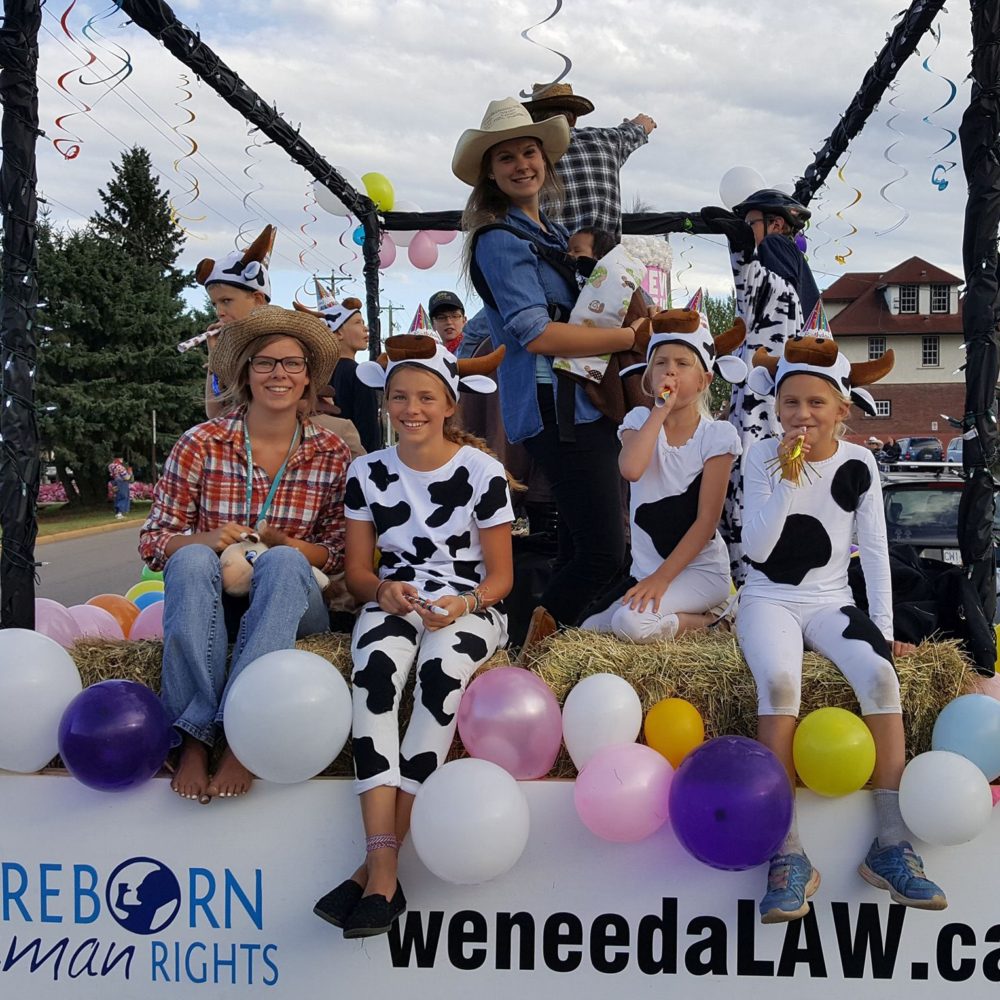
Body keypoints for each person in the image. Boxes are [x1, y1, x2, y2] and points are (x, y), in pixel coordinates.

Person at [739, 335, 946, 922]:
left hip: (830, 599)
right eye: (791, 403)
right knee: (780, 684)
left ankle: (891, 842)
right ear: (776, 407)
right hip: (769, 599)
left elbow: (875, 553)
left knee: (881, 678)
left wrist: (881, 631)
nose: (802, 415)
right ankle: (787, 852)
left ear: (841, 409)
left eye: (816, 403)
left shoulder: (860, 463)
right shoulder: (760, 455)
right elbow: (757, 548)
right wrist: (786, 478)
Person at [313, 334, 513, 939]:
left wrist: (463, 603)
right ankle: (384, 868)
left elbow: (501, 578)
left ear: (450, 403)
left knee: (439, 675)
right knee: (374, 678)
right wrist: (383, 591)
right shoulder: (366, 472)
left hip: (470, 606)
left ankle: (375, 871)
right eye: (399, 397)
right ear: (386, 401)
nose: (411, 409)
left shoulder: (482, 472)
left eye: (426, 397)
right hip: (395, 599)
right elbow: (357, 572)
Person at [453, 96, 652, 630]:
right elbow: (536, 334)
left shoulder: (554, 237)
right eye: (506, 157)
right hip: (558, 411)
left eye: (529, 152)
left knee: (578, 548)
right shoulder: (499, 241)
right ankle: (528, 652)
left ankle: (539, 648)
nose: (522, 165)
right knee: (603, 553)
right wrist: (626, 336)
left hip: (581, 404)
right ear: (489, 174)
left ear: (545, 159)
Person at [139, 306, 350, 804]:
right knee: (190, 560)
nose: (279, 374)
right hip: (215, 603)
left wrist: (286, 543)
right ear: (246, 373)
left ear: (307, 378)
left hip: (291, 603)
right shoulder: (200, 443)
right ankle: (193, 737)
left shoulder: (332, 452)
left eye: (292, 364)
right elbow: (153, 542)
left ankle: (242, 734)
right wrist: (208, 538)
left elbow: (337, 553)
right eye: (265, 362)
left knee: (284, 562)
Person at [580, 306, 747, 641]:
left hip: (699, 572)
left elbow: (707, 521)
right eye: (661, 363)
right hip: (646, 571)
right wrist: (659, 411)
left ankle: (715, 624)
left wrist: (662, 579)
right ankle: (695, 618)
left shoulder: (717, 436)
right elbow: (631, 469)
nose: (670, 370)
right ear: (648, 376)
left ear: (703, 381)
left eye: (683, 363)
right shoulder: (638, 422)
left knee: (631, 625)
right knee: (589, 630)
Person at [701, 190, 820, 585]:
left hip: (760, 404)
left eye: (751, 222)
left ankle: (747, 582)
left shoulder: (771, 256)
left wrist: (738, 245)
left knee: (746, 488)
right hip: (785, 401)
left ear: (776, 224)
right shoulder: (803, 284)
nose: (748, 230)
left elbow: (750, 284)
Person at [522, 82, 656, 240]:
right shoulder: (607, 140)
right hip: (603, 252)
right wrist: (638, 123)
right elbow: (640, 127)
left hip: (550, 251)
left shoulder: (529, 155)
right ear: (574, 118)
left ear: (534, 119)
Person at [196, 226, 275, 419]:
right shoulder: (231, 347)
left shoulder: (283, 343)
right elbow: (215, 413)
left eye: (226, 301)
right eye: (215, 304)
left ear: (257, 299)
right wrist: (215, 356)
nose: (219, 312)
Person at [294, 296, 381, 453]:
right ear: (338, 332)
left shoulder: (311, 373)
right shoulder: (361, 374)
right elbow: (368, 429)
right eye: (358, 322)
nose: (366, 328)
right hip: (354, 455)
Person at [428, 290, 466, 355]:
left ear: (464, 320)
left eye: (454, 316)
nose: (449, 322)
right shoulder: (430, 356)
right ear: (432, 324)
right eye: (441, 317)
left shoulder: (476, 345)